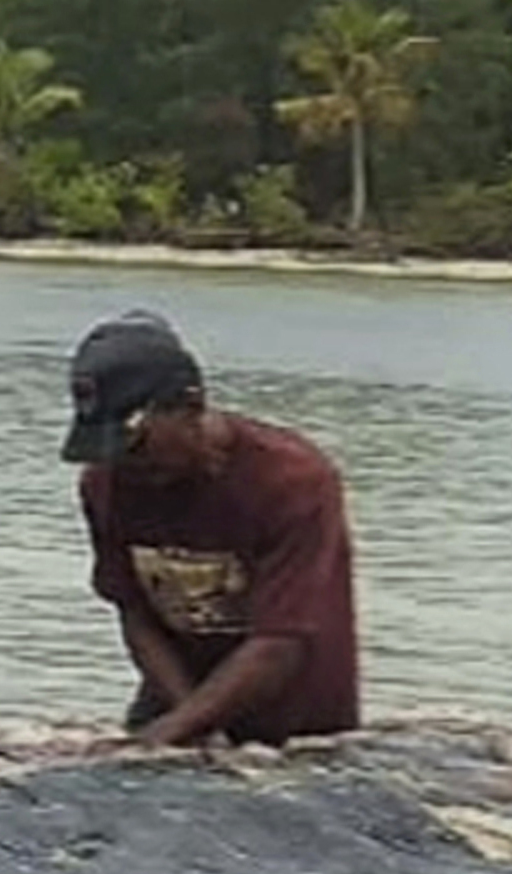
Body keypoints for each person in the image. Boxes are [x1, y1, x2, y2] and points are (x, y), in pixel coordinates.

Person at [61, 311, 363, 746]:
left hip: (296, 720)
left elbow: (280, 642)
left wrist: (177, 730)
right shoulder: (104, 483)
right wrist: (184, 723)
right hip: (174, 698)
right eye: (108, 451)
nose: (124, 465)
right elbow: (134, 611)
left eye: (136, 445)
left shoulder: (293, 480)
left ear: (190, 406)